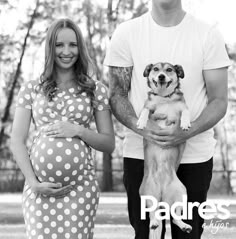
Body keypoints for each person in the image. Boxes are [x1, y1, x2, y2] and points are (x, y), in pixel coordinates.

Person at [104, 0, 230, 238]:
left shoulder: (208, 34)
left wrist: (187, 131)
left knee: (188, 234)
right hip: (142, 159)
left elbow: (219, 101)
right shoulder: (126, 33)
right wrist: (140, 127)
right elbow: (117, 95)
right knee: (147, 234)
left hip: (195, 158)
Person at [11, 18, 115, 239]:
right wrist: (32, 183)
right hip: (39, 191)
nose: (66, 51)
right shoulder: (31, 88)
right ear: (50, 48)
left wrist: (78, 131)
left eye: (72, 44)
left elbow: (108, 143)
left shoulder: (95, 89)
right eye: (59, 45)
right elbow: (17, 141)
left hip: (80, 190)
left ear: (80, 48)